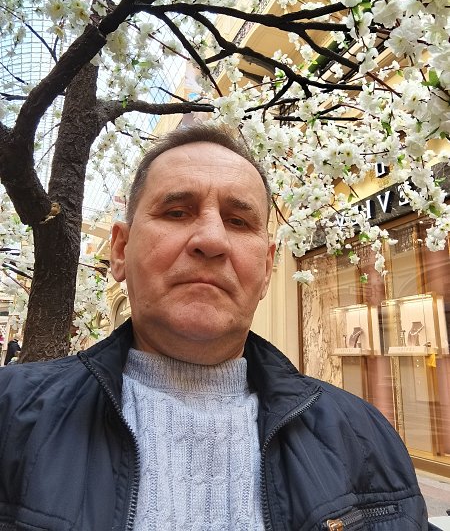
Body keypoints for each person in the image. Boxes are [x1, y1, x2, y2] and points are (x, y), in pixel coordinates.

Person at [0, 124, 432, 530]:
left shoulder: (364, 438)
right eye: (176, 212)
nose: (211, 240)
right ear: (119, 250)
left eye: (238, 221)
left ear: (267, 269)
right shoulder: (11, 416)